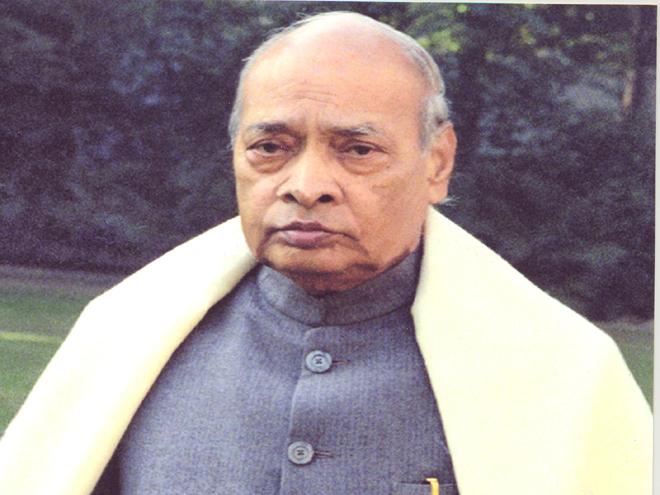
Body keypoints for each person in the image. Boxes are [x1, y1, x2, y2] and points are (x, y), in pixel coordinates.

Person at [0, 11, 651, 495]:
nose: (306, 185)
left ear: (437, 162)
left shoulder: (562, 375)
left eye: (358, 150)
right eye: (270, 147)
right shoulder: (126, 339)